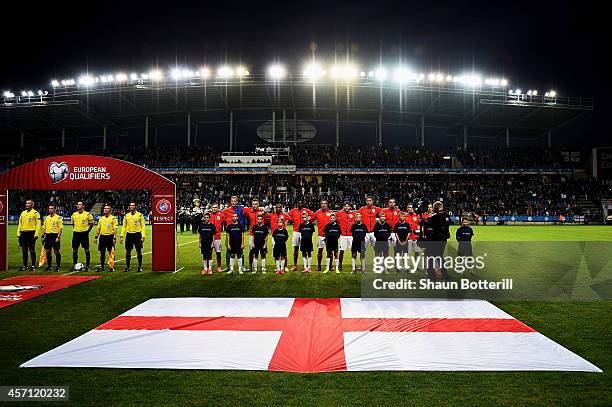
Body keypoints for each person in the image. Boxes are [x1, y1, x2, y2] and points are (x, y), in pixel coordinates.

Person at [425, 201, 451, 279]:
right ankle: (445, 274)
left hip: (434, 240)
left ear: (436, 208)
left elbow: (428, 227)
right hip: (443, 240)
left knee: (431, 256)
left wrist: (429, 218)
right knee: (439, 256)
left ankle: (431, 275)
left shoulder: (434, 217)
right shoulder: (447, 215)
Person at [119, 201, 146, 272]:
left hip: (137, 234)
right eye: (130, 205)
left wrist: (143, 236)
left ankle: (140, 266)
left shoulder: (140, 215)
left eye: (133, 205)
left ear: (136, 207)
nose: (131, 206)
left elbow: (143, 226)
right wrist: (121, 236)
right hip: (129, 235)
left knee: (139, 251)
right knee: (128, 251)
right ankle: (128, 267)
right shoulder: (126, 215)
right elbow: (124, 227)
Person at [287, 201, 314, 270]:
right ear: (297, 204)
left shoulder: (306, 210)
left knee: (305, 249)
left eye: (301, 203)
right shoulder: (294, 210)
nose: (300, 204)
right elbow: (287, 215)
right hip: (296, 232)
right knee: (296, 249)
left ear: (303, 204)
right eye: (298, 203)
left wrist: (309, 220)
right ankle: (295, 265)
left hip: (304, 232)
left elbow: (313, 215)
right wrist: (292, 220)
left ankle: (305, 266)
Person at [242, 198, 266, 271]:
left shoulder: (262, 212)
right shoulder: (249, 211)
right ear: (251, 205)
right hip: (252, 235)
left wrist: (264, 211)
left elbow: (269, 215)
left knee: (263, 251)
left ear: (258, 204)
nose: (254, 205)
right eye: (253, 204)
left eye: (256, 204)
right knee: (251, 251)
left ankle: (263, 267)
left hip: (262, 235)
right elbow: (241, 210)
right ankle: (250, 267)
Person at [70, 201, 94, 271]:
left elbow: (91, 224)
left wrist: (87, 231)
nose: (78, 205)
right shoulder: (74, 215)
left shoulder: (88, 214)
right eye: (77, 204)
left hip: (84, 234)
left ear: (83, 206)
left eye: (80, 204)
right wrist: (77, 229)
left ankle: (87, 266)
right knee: (74, 250)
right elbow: (73, 224)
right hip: (76, 233)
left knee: (86, 250)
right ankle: (74, 265)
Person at [94, 204, 118, 272]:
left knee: (111, 252)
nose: (105, 209)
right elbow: (98, 228)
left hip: (110, 237)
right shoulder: (101, 219)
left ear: (110, 210)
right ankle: (102, 266)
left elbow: (115, 229)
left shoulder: (113, 218)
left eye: (107, 208)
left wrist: (114, 238)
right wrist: (96, 237)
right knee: (102, 252)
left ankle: (111, 266)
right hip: (102, 237)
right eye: (104, 208)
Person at [313, 199, 333, 271]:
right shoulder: (317, 213)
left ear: (327, 204)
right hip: (320, 235)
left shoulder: (330, 213)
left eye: (325, 203)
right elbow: (310, 220)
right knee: (320, 251)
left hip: (329, 236)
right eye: (322, 203)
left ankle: (330, 266)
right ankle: (319, 266)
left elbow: (336, 221)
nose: (324, 205)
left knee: (330, 251)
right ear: (320, 205)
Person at [41, 203, 62, 272]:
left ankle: (58, 266)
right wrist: (43, 236)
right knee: (48, 251)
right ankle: (49, 266)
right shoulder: (46, 218)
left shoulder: (58, 218)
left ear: (55, 209)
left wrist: (58, 237)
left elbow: (60, 228)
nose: (50, 210)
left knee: (56, 252)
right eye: (49, 208)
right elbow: (44, 227)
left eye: (51, 208)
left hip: (55, 235)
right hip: (48, 236)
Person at [335, 202, 356, 271]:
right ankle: (340, 264)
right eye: (345, 206)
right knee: (341, 251)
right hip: (343, 235)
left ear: (350, 207)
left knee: (353, 251)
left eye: (348, 206)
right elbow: (333, 215)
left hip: (351, 236)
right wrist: (338, 220)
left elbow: (359, 218)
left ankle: (354, 265)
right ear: (343, 207)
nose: (346, 207)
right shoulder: (340, 213)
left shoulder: (353, 214)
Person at [268, 203, 289, 270]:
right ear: (275, 208)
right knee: (275, 252)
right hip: (274, 237)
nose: (278, 208)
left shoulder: (284, 215)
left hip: (282, 236)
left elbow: (292, 219)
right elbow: (264, 215)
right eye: (277, 207)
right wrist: (264, 210)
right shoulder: (272, 215)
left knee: (284, 252)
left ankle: (285, 266)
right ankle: (277, 267)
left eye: (279, 207)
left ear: (281, 208)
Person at [209, 203, 226, 272]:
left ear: (218, 208)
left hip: (217, 237)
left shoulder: (221, 215)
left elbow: (225, 222)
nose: (214, 208)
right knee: (209, 253)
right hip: (209, 238)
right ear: (211, 208)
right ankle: (209, 267)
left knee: (218, 253)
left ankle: (219, 267)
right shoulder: (208, 215)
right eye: (213, 207)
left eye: (215, 207)